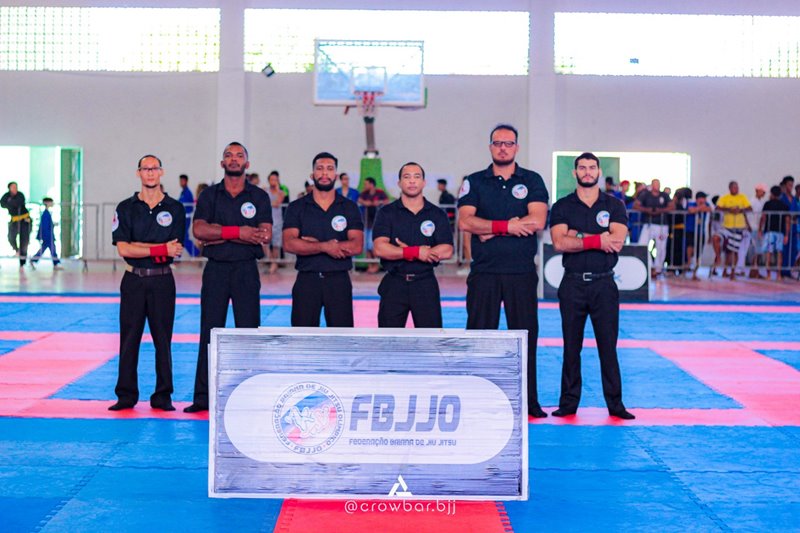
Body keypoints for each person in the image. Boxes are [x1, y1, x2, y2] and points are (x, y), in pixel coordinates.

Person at [458, 124, 549, 418]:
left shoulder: (532, 180)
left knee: (525, 337)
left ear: (516, 148)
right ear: (490, 147)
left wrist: (490, 229)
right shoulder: (474, 181)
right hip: (484, 272)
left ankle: (528, 400)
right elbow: (466, 222)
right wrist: (508, 226)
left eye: (508, 143)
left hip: (521, 272)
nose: (503, 148)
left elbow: (537, 221)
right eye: (498, 143)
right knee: (479, 337)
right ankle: (474, 399)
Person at [184, 142, 272, 413]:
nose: (234, 159)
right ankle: (203, 397)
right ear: (222, 163)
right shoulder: (210, 195)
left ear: (247, 163)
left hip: (246, 269)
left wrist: (219, 233)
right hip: (216, 270)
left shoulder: (258, 196)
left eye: (239, 156)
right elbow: (199, 230)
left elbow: (264, 234)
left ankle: (250, 396)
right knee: (210, 332)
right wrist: (240, 232)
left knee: (249, 332)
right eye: (228, 156)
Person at [549, 152, 634, 420]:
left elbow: (616, 241)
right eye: (582, 168)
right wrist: (598, 239)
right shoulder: (562, 206)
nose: (587, 172)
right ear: (574, 172)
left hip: (604, 284)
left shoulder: (614, 205)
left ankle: (615, 404)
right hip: (572, 283)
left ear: (599, 171)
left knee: (608, 347)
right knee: (571, 346)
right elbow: (559, 242)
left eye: (592, 167)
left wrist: (576, 235)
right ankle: (568, 403)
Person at [109, 154, 186, 411]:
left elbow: (174, 249)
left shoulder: (175, 208)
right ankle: (126, 394)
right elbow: (123, 249)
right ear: (138, 173)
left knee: (163, 340)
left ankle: (163, 395)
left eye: (154, 168)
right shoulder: (125, 208)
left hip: (162, 280)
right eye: (145, 168)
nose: (150, 173)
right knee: (129, 338)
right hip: (133, 279)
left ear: (161, 172)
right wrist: (159, 248)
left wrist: (140, 246)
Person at [283, 152, 363, 327]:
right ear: (312, 175)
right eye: (320, 168)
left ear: (336, 175)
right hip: (307, 279)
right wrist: (325, 246)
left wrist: (308, 244)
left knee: (342, 336)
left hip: (339, 280)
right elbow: (289, 243)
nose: (325, 173)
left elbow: (357, 245)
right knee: (302, 336)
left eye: (329, 169)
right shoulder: (297, 207)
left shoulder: (349, 207)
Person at [373, 162, 453, 327]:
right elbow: (380, 248)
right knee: (388, 338)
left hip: (425, 283)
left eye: (417, 177)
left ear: (423, 182)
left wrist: (402, 251)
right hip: (394, 282)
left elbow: (447, 250)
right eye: (407, 177)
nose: (412, 181)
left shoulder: (437, 214)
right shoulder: (386, 213)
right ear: (399, 183)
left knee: (430, 338)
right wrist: (416, 252)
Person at [634, 178, 674, 278]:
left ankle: (658, 268)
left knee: (661, 247)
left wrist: (660, 211)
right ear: (652, 185)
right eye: (655, 184)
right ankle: (649, 266)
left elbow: (672, 206)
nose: (657, 186)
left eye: (658, 184)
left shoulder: (664, 195)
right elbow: (636, 205)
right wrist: (647, 210)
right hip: (648, 224)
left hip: (662, 225)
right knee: (642, 244)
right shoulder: (645, 195)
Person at [716, 180, 752, 280]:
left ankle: (732, 272)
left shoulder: (742, 197)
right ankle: (724, 269)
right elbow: (717, 208)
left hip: (739, 228)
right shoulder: (725, 198)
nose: (736, 189)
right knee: (727, 251)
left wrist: (740, 210)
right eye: (734, 187)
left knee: (735, 251)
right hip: (727, 227)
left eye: (737, 187)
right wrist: (729, 210)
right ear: (730, 188)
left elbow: (749, 208)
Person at [760, 185, 791, 281]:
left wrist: (760, 229)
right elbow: (787, 221)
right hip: (780, 233)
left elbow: (763, 217)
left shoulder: (767, 204)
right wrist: (786, 234)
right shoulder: (784, 205)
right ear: (780, 194)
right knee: (779, 253)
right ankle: (778, 275)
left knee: (769, 253)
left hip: (769, 232)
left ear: (771, 194)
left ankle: (768, 275)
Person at [358, 176, 388, 273]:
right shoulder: (365, 194)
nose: (364, 186)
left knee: (373, 246)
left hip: (376, 224)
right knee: (367, 246)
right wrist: (366, 203)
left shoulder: (380, 192)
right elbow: (360, 200)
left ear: (371, 184)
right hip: (366, 222)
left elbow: (386, 201)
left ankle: (376, 265)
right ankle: (370, 265)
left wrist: (378, 202)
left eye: (366, 184)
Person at [1, 181, 31, 268]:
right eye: (13, 187)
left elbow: (18, 202)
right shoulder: (6, 196)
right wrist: (11, 203)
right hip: (14, 220)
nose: (15, 188)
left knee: (24, 241)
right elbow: (2, 204)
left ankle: (22, 262)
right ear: (9, 188)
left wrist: (10, 202)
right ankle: (17, 250)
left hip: (24, 220)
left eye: (16, 187)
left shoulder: (20, 195)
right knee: (11, 237)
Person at [685, 191, 712, 279]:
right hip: (690, 230)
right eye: (703, 198)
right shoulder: (691, 204)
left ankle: (695, 273)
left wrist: (698, 209)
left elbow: (709, 209)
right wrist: (700, 208)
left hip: (700, 232)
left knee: (699, 252)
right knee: (690, 248)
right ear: (698, 199)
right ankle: (688, 263)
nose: (705, 200)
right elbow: (691, 210)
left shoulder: (706, 204)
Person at [31, 197, 61, 269]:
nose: (52, 204)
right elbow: (45, 226)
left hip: (48, 235)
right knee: (52, 249)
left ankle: (33, 260)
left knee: (44, 249)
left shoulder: (46, 213)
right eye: (51, 202)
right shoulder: (45, 214)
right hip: (47, 235)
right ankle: (55, 264)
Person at [267, 171, 285, 274]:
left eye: (275, 179)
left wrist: (277, 189)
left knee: (276, 244)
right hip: (267, 220)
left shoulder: (281, 192)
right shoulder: (265, 192)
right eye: (271, 179)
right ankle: (272, 261)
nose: (273, 181)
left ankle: (274, 264)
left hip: (277, 221)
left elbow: (277, 202)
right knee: (264, 244)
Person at [178, 174, 198, 257]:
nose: (181, 182)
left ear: (186, 181)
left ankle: (195, 253)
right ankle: (178, 255)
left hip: (186, 218)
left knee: (184, 237)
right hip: (182, 218)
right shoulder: (183, 192)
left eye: (182, 181)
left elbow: (189, 206)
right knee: (181, 237)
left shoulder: (187, 193)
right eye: (180, 181)